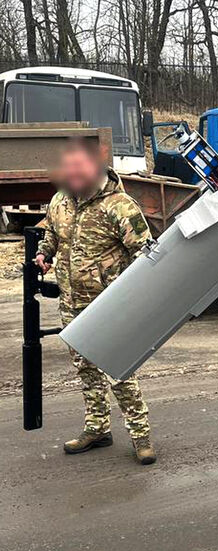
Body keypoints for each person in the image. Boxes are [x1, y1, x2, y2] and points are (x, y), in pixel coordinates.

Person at [36, 137, 156, 465]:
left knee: (119, 371)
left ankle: (141, 436)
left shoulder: (120, 206)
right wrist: (44, 253)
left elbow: (146, 254)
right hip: (71, 303)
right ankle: (98, 428)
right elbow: (52, 234)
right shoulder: (60, 201)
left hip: (109, 307)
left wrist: (132, 300)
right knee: (86, 369)